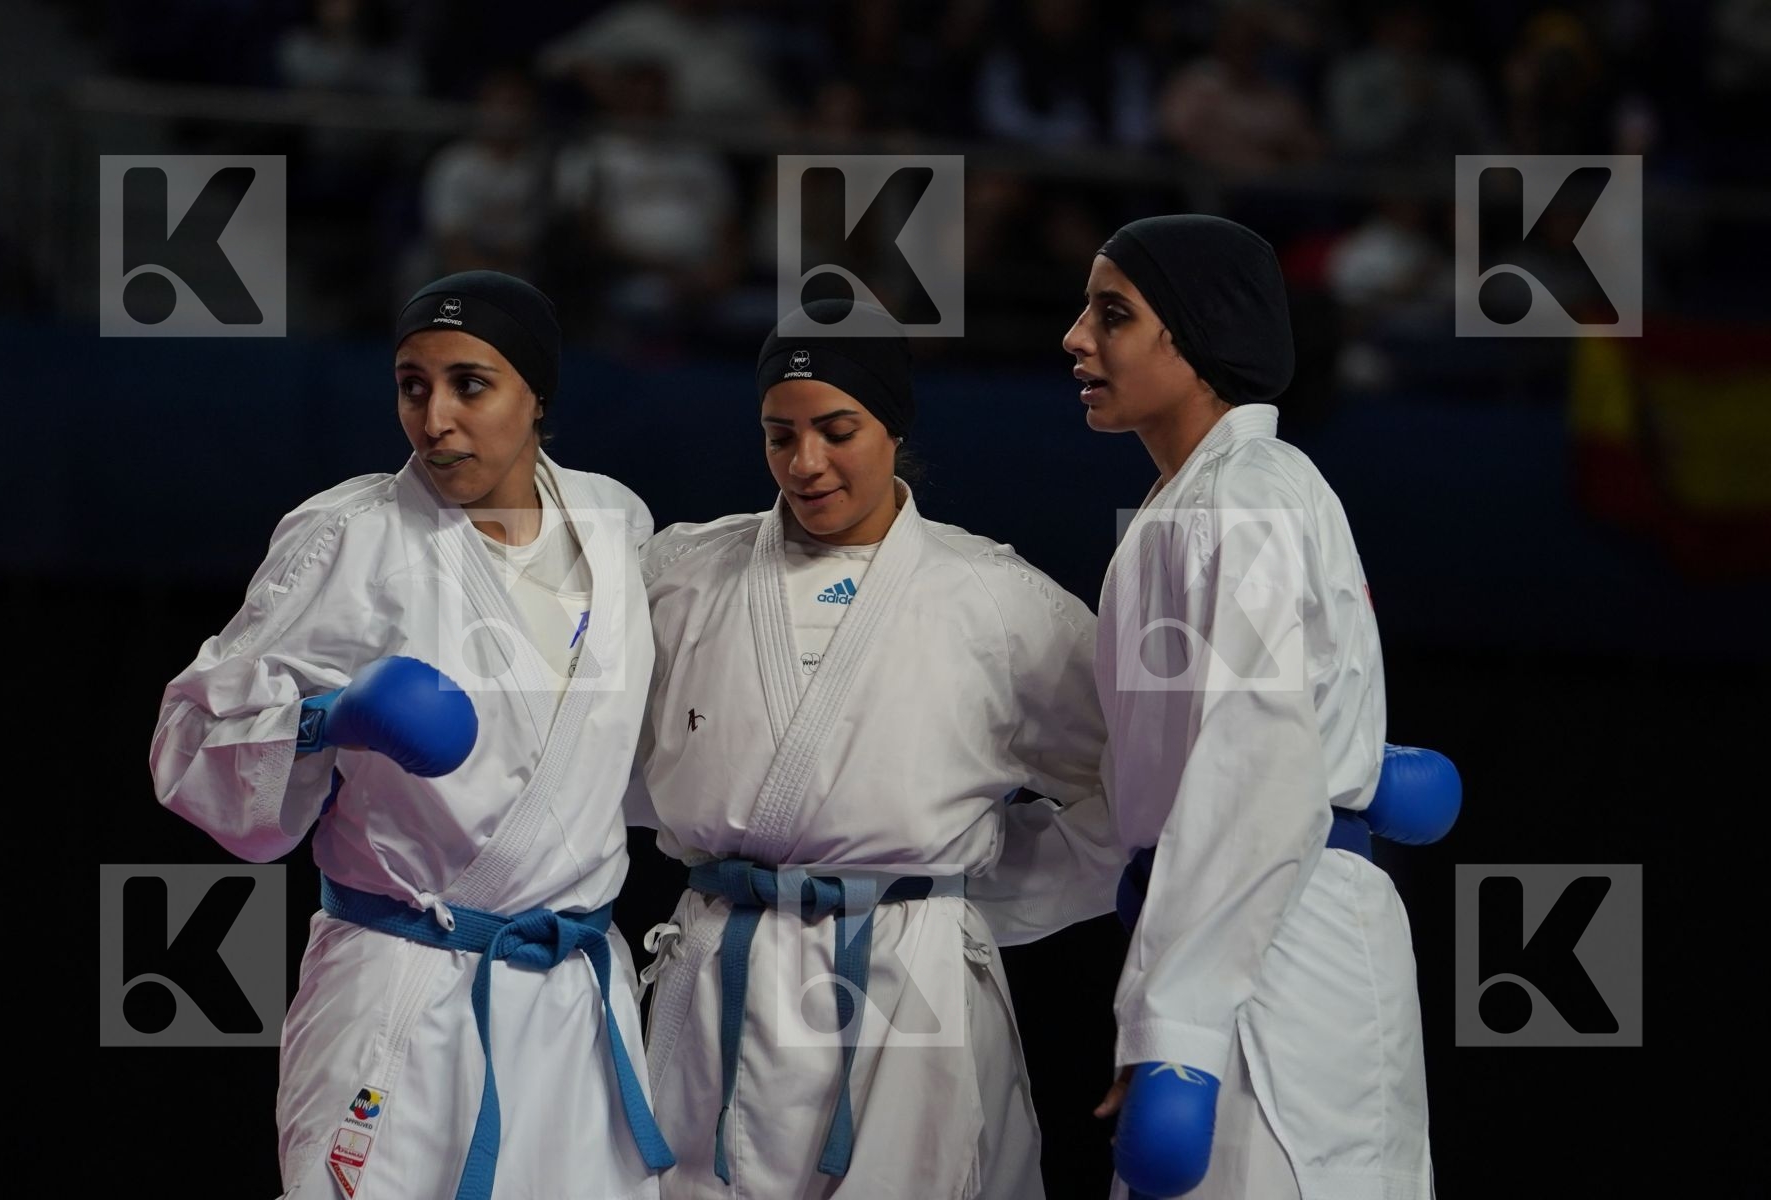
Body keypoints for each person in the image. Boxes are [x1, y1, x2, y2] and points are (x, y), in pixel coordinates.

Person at [148, 270, 672, 1199]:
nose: (434, 418)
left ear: (537, 395)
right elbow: (188, 746)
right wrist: (325, 720)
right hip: (400, 983)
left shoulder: (613, 520)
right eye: (411, 384)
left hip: (572, 993)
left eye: (470, 384)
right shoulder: (351, 538)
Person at [626, 298, 1124, 1199]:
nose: (805, 463)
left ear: (893, 426)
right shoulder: (682, 575)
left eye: (836, 429)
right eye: (780, 435)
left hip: (912, 982)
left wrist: (970, 898)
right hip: (721, 974)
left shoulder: (996, 601)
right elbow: (607, 765)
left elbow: (1126, 784)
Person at [1063, 215, 1432, 1199]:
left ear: (1194, 336)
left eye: (1113, 315)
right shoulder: (1200, 499)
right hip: (1236, 923)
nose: (1075, 339)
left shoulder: (1245, 499)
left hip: (1276, 937)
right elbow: (1150, 791)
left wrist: (1176, 1026)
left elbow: (1257, 758)